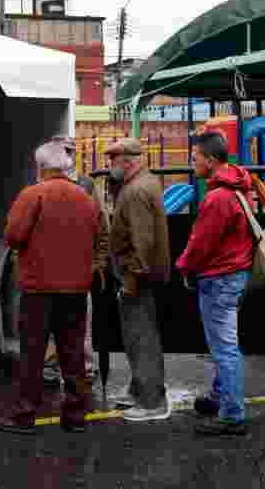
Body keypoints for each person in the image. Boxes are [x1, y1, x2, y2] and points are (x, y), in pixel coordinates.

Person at [0, 141, 101, 434]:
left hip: (39, 290)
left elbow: (13, 236)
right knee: (73, 355)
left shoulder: (33, 195)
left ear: (41, 167)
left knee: (32, 354)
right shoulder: (84, 197)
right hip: (77, 290)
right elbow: (96, 233)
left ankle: (25, 415)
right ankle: (76, 416)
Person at [175, 132, 254, 436]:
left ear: (210, 160)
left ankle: (232, 414)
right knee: (226, 343)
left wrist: (183, 266)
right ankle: (221, 396)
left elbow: (200, 244)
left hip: (219, 277)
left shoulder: (218, 197)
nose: (191, 163)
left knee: (224, 347)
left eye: (194, 158)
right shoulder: (237, 187)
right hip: (234, 274)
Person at [105, 137, 173, 422]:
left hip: (138, 277)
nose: (109, 167)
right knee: (139, 336)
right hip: (141, 275)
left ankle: (151, 401)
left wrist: (131, 279)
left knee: (141, 337)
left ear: (128, 161)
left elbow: (142, 242)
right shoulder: (144, 183)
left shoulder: (135, 191)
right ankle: (139, 389)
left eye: (113, 161)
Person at [41, 136, 107, 385]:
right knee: (50, 320)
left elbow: (102, 226)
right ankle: (50, 365)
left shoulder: (87, 184)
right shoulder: (42, 185)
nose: (66, 155)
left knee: (82, 321)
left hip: (79, 266)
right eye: (62, 150)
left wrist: (98, 263)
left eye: (70, 151)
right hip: (51, 266)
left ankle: (86, 367)